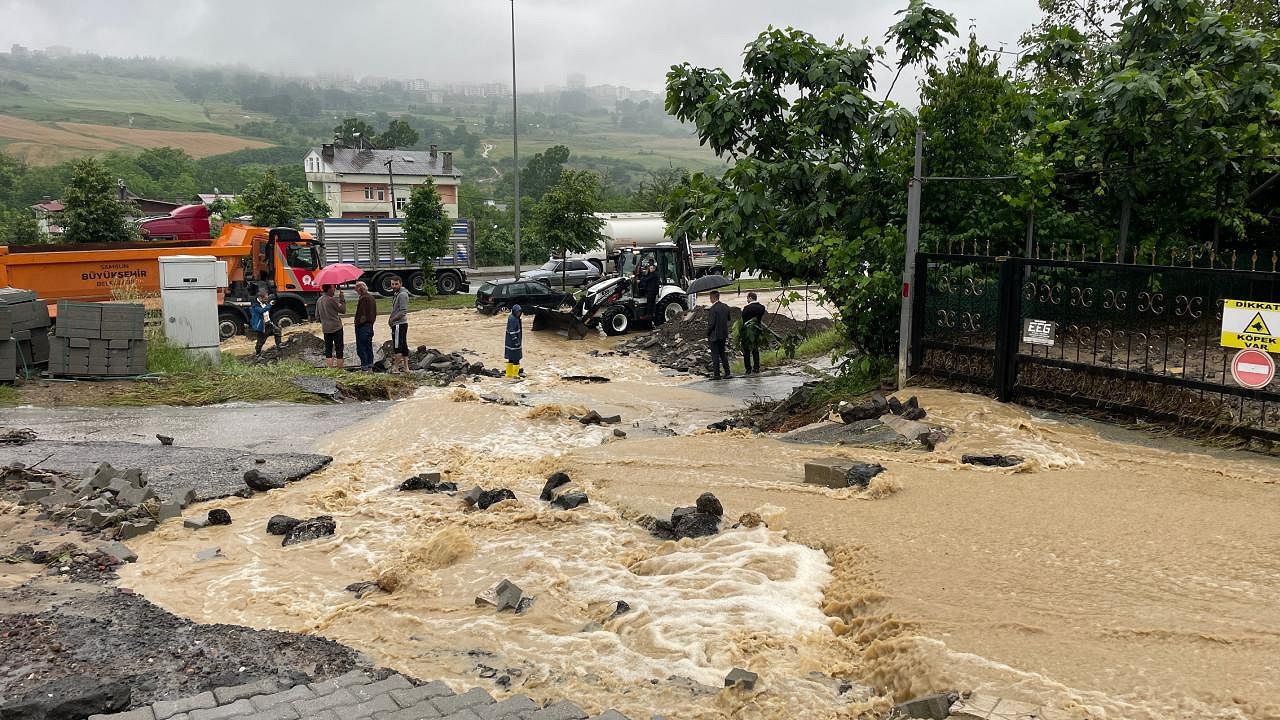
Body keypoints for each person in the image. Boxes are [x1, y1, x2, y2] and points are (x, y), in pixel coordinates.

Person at [316, 284, 347, 369]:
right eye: (333, 288)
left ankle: (330, 369)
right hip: (336, 328)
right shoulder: (332, 300)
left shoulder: (319, 300)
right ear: (329, 289)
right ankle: (340, 369)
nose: (334, 289)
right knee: (339, 349)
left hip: (326, 328)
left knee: (328, 350)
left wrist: (324, 320)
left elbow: (317, 317)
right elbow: (343, 310)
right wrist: (342, 299)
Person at [387, 275, 411, 373]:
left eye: (396, 284)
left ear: (400, 284)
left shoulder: (402, 295)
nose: (394, 286)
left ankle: (396, 368)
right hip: (401, 323)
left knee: (397, 346)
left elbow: (403, 311)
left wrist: (392, 320)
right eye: (392, 284)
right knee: (403, 345)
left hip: (399, 324)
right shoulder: (397, 293)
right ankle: (406, 368)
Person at [706, 290, 731, 380]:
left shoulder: (713, 309)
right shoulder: (725, 306)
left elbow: (711, 324)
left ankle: (717, 374)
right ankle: (727, 373)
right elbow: (728, 318)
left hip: (714, 335)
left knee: (715, 355)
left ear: (713, 298)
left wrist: (707, 332)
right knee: (723, 353)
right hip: (723, 334)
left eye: (710, 297)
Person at [740, 291, 767, 374]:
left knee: (746, 350)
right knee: (755, 349)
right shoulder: (762, 307)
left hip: (747, 331)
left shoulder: (746, 308)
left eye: (747, 298)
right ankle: (756, 367)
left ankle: (748, 369)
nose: (747, 300)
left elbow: (743, 319)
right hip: (757, 330)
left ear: (750, 298)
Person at [353, 281, 377, 371]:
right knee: (368, 346)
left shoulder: (363, 299)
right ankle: (370, 365)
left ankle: (365, 367)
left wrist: (357, 323)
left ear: (360, 289)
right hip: (370, 325)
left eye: (356, 289)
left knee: (361, 348)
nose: (356, 291)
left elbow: (362, 315)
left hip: (363, 326)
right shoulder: (371, 297)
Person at [250, 290, 281, 358]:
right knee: (261, 340)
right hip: (261, 325)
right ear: (260, 298)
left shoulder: (264, 302)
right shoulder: (255, 305)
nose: (267, 300)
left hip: (268, 323)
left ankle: (279, 347)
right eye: (265, 299)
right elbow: (262, 311)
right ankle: (258, 354)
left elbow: (266, 312)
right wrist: (270, 304)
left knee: (278, 331)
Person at [504, 304, 523, 378]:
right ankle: (515, 375)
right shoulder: (513, 319)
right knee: (516, 359)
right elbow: (512, 331)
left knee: (511, 358)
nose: (519, 313)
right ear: (514, 311)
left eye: (520, 312)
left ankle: (509, 374)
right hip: (514, 343)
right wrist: (516, 342)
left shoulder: (512, 317)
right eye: (518, 312)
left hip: (509, 343)